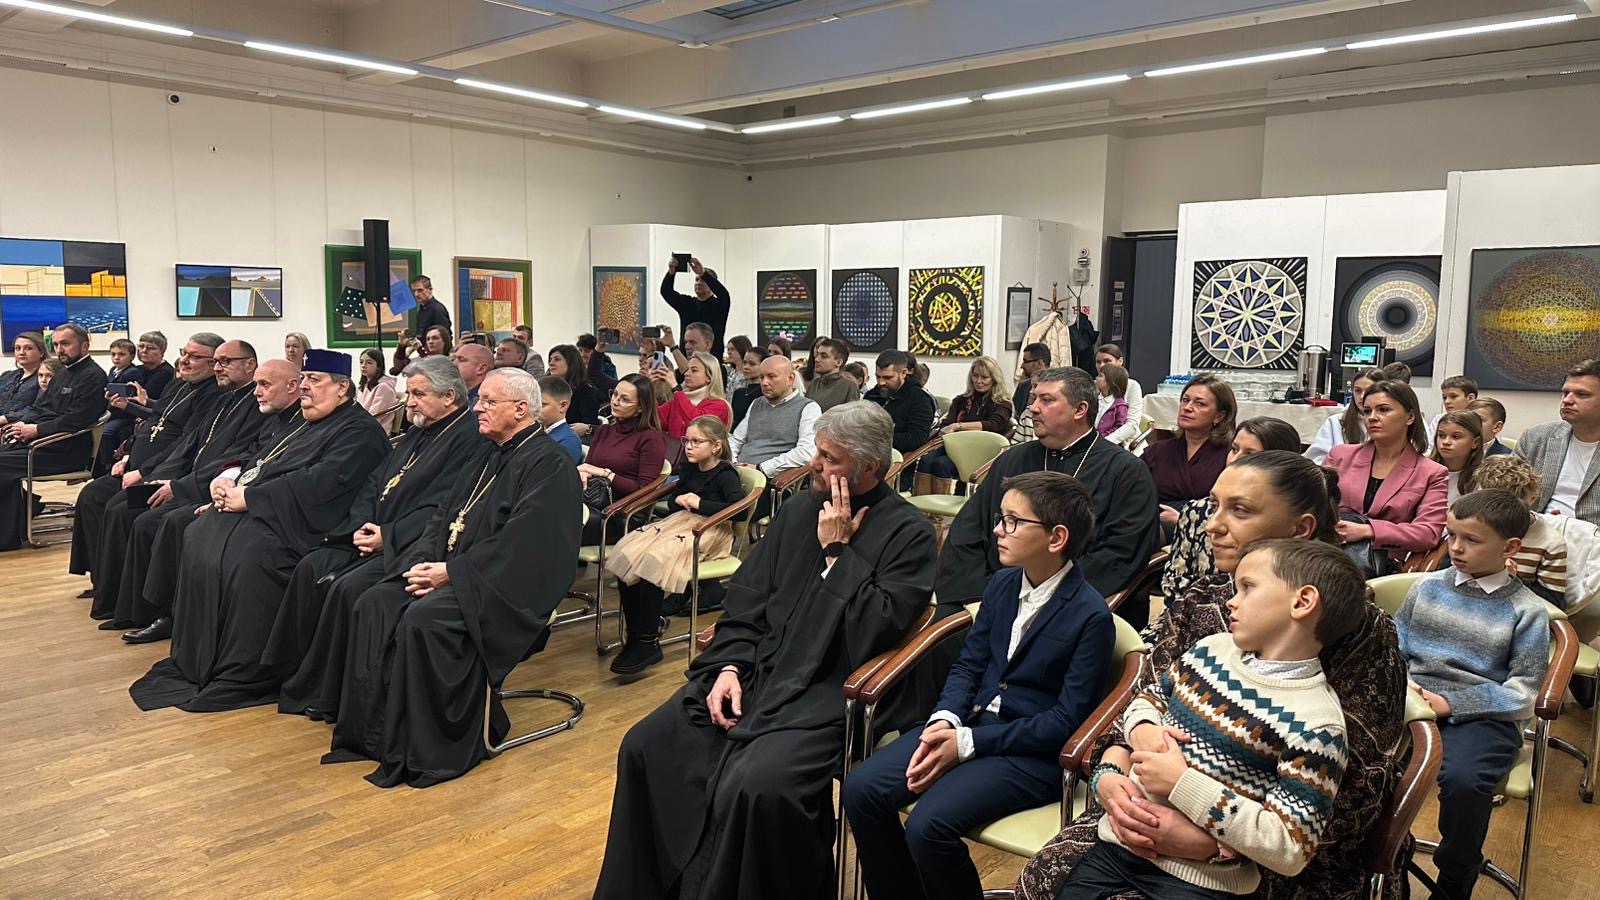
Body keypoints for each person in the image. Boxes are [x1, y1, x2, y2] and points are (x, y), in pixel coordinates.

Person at [1015, 451, 1408, 900]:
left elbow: (1352, 794)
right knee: (1042, 881)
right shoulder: (1204, 600)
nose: (1212, 525)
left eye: (1239, 510)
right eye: (1214, 505)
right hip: (1149, 801)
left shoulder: (1359, 630)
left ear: (1300, 528)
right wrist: (1110, 779)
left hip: (1276, 853)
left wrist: (1215, 844)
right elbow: (1143, 702)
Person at [593, 401, 937, 900]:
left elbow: (876, 630)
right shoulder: (798, 509)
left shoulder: (908, 532)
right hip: (754, 670)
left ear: (868, 469)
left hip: (828, 688)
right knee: (647, 744)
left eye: (829, 458)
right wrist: (729, 666)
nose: (814, 464)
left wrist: (837, 554)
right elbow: (748, 599)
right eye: (817, 451)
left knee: (757, 786)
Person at [843, 472, 1115, 900]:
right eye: (1000, 518)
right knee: (861, 789)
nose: (997, 530)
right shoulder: (1003, 583)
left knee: (928, 827)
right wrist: (945, 718)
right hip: (969, 724)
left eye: (1012, 521)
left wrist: (967, 744)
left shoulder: (1091, 616)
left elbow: (1065, 721)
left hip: (1029, 755)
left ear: (1056, 537)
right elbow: (969, 665)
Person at [1059, 539, 1361, 899]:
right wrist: (1143, 730)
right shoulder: (1210, 650)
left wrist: (1181, 782)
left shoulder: (1317, 723)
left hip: (1203, 881)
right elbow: (1149, 698)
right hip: (1115, 847)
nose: (1232, 600)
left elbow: (1289, 847)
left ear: (1302, 602)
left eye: (1247, 587)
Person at [322, 367, 580, 788]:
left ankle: (432, 747)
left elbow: (525, 546)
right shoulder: (486, 453)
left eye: (488, 402)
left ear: (520, 409)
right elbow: (442, 517)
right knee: (375, 602)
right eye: (480, 400)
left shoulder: (550, 465)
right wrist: (422, 563)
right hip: (454, 571)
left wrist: (452, 573)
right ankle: (377, 737)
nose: (477, 408)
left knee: (424, 619)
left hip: (505, 587)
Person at [128, 350, 390, 712]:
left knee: (249, 553)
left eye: (314, 380)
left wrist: (250, 498)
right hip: (271, 509)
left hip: (313, 525)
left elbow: (320, 483)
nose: (305, 387)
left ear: (342, 387)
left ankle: (247, 667)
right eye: (304, 379)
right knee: (198, 532)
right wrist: (228, 482)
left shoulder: (359, 432)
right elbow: (259, 458)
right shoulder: (303, 420)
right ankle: (199, 657)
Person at [270, 355, 489, 717]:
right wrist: (362, 524)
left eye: (418, 394)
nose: (410, 403)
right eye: (409, 393)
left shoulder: (469, 439)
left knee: (347, 588)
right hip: (373, 533)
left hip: (411, 545)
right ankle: (296, 677)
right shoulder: (420, 430)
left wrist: (388, 535)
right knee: (312, 566)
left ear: (449, 396)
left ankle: (337, 696)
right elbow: (376, 481)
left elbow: (444, 506)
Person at [1395, 489, 1550, 900]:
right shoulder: (1427, 588)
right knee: (1357, 757)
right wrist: (1404, 685)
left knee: (1465, 783)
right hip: (1412, 700)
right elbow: (1394, 647)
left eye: (1472, 540)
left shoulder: (1527, 611)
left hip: (1484, 716)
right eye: (1451, 535)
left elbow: (1523, 692)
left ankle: (1456, 875)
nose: (1456, 548)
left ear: (1510, 548)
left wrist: (1454, 704)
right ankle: (1376, 857)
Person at [938, 366, 1159, 617]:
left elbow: (1120, 554)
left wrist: (1036, 597)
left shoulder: (1126, 472)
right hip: (988, 594)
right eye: (1034, 399)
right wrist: (980, 594)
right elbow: (969, 529)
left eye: (1046, 400)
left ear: (1080, 410)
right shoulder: (1012, 459)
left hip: (1069, 605)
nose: (1033, 408)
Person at [107, 349, 281, 639]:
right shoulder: (224, 399)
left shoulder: (257, 408)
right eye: (216, 362)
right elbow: (190, 444)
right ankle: (123, 602)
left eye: (225, 362)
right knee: (122, 506)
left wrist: (180, 485)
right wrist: (157, 475)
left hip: (206, 487)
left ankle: (164, 614)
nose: (218, 368)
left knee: (156, 522)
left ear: (250, 365)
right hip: (190, 479)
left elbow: (239, 456)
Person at [70, 333, 222, 597]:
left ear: (213, 362)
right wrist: (128, 455)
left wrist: (143, 471)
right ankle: (101, 578)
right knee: (91, 495)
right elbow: (157, 419)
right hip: (137, 465)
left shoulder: (212, 395)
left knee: (119, 509)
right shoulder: (180, 385)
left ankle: (118, 590)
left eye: (194, 356)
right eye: (184, 353)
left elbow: (186, 443)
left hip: (161, 471)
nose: (184, 361)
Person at [605, 415, 746, 675]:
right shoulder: (691, 468)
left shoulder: (725, 474)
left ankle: (647, 640)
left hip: (711, 530)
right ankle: (636, 633)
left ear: (716, 446)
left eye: (696, 441)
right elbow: (673, 502)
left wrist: (700, 503)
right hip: (681, 522)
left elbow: (739, 511)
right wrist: (680, 500)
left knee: (654, 559)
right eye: (686, 440)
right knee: (627, 551)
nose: (688, 447)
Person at [1161, 416, 1302, 602]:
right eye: (1234, 449)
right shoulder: (1196, 511)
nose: (1235, 460)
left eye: (1250, 455)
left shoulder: (1285, 518)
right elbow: (1175, 581)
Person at [0, 324, 108, 551]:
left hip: (64, 450)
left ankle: (7, 537)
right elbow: (41, 408)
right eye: (56, 344)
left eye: (66, 344)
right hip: (43, 444)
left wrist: (37, 430)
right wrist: (23, 424)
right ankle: (15, 523)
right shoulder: (63, 373)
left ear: (85, 346)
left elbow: (76, 420)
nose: (59, 349)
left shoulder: (93, 376)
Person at [1474, 455, 1600, 639]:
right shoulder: (1474, 524)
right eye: (1490, 503)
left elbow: (1553, 602)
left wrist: (1511, 579)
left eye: (1508, 506)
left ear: (1531, 499)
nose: (1497, 513)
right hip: (1471, 606)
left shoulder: (1551, 543)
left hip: (1512, 622)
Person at [1326, 380, 1449, 568]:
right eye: (1367, 411)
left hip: (1384, 567)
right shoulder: (1340, 455)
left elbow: (1428, 533)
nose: (1372, 417)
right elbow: (1312, 505)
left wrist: (1369, 530)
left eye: (1383, 410)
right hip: (1328, 553)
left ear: (1410, 417)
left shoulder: (1432, 473)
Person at [1144, 375, 1235, 537]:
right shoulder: (1159, 450)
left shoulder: (1231, 455)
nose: (1187, 408)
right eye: (1185, 400)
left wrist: (1182, 519)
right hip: (1150, 517)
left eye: (1200, 403)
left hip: (1206, 529)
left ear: (1219, 416)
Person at [579, 374, 667, 539]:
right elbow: (589, 468)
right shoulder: (604, 431)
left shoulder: (650, 439)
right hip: (591, 502)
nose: (615, 401)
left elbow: (644, 490)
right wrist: (584, 473)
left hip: (620, 515)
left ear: (640, 407)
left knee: (557, 521)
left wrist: (607, 474)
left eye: (625, 399)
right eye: (615, 394)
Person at [1515, 358, 1600, 523]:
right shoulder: (1534, 438)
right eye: (1566, 392)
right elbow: (1504, 494)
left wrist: (1572, 528)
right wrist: (1534, 520)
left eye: (1582, 394)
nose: (1567, 400)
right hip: (1535, 529)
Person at [915, 356, 1014, 493]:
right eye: (975, 376)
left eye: (984, 377)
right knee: (926, 461)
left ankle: (943, 504)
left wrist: (959, 426)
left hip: (983, 452)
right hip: (954, 447)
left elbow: (994, 425)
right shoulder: (960, 400)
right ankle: (922, 502)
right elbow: (947, 424)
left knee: (941, 464)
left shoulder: (1003, 403)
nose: (978, 381)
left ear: (994, 379)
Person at [729, 353, 820, 477]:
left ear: (790, 379)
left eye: (771, 376)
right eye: (762, 377)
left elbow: (807, 452)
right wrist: (733, 463)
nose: (764, 382)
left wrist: (762, 468)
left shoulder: (808, 408)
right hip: (738, 472)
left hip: (772, 479)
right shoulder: (756, 403)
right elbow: (736, 440)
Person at [868, 349, 938, 459]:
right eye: (878, 377)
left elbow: (916, 439)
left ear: (903, 373)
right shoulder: (872, 395)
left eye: (888, 377)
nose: (881, 382)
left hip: (898, 459)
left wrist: (875, 439)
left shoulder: (920, 399)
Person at [1306, 367, 1383, 465]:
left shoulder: (1390, 423)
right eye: (1358, 391)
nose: (1362, 396)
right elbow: (1315, 460)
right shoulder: (1335, 422)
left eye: (1369, 391)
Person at [661, 256, 730, 355]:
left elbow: (724, 295)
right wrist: (671, 273)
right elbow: (666, 292)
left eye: (703, 280)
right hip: (687, 359)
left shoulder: (719, 305)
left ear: (712, 284)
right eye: (697, 280)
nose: (699, 283)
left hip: (712, 359)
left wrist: (703, 273)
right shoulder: (687, 304)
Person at [97, 338, 145, 473]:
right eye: (113, 354)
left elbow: (131, 396)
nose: (116, 358)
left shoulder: (132, 372)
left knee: (106, 432)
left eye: (121, 354)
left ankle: (107, 463)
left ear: (132, 356)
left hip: (125, 414)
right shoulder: (113, 370)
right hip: (112, 410)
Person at [657, 350, 732, 438]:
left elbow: (696, 423)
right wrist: (649, 385)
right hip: (674, 447)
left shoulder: (719, 405)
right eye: (687, 369)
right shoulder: (679, 400)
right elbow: (653, 419)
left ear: (709, 377)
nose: (686, 374)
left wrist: (675, 387)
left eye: (694, 370)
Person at [548, 343, 604, 438]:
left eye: (557, 359)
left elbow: (587, 424)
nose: (551, 363)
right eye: (550, 360)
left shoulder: (586, 392)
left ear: (571, 363)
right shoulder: (547, 388)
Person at [1093, 344, 1143, 448]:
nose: (1102, 366)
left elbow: (1132, 424)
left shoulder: (1132, 386)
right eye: (1098, 362)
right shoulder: (1093, 385)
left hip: (1123, 444)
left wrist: (1103, 443)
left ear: (1120, 361)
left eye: (1107, 361)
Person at [1432, 410, 1485, 505]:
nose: (1446, 442)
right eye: (1441, 435)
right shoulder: (1421, 468)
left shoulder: (1482, 478)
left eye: (1456, 437)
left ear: (1475, 442)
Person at [0, 332, 46, 425]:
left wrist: (5, 419)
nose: (21, 352)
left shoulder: (45, 377)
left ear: (41, 353)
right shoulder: (7, 375)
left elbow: (38, 408)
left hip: (23, 426)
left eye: (28, 348)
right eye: (17, 348)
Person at [536, 375, 584, 464]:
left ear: (563, 406)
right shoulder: (536, 432)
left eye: (543, 405)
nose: (536, 409)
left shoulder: (569, 441)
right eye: (535, 404)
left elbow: (557, 471)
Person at [803, 337, 856, 412]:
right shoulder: (814, 384)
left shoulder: (849, 387)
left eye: (824, 356)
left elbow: (853, 417)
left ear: (838, 362)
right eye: (817, 354)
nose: (816, 359)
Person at [355, 348, 399, 427]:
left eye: (369, 363)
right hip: (360, 426)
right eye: (361, 362)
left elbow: (373, 418)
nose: (363, 366)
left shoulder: (384, 388)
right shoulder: (363, 386)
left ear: (378, 366)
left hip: (373, 430)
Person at [729, 347, 767, 427]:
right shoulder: (739, 393)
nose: (746, 367)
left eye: (752, 364)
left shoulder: (765, 393)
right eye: (744, 363)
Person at [1094, 363, 1130, 443]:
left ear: (1111, 381)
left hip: (1107, 443)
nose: (1096, 378)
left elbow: (1119, 427)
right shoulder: (1093, 399)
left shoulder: (1120, 405)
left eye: (1100, 376)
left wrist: (1102, 437)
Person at [135, 331, 176, 401]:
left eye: (150, 348)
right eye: (141, 346)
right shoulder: (137, 369)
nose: (144, 350)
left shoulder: (166, 372)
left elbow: (147, 397)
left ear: (162, 352)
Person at [411, 274, 451, 343]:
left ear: (430, 290)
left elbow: (445, 337)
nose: (416, 294)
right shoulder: (422, 309)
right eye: (414, 291)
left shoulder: (437, 309)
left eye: (420, 290)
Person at [451, 341, 493, 406]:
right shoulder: (453, 393)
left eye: (461, 359)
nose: (453, 364)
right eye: (453, 359)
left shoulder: (489, 400)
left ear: (481, 368)